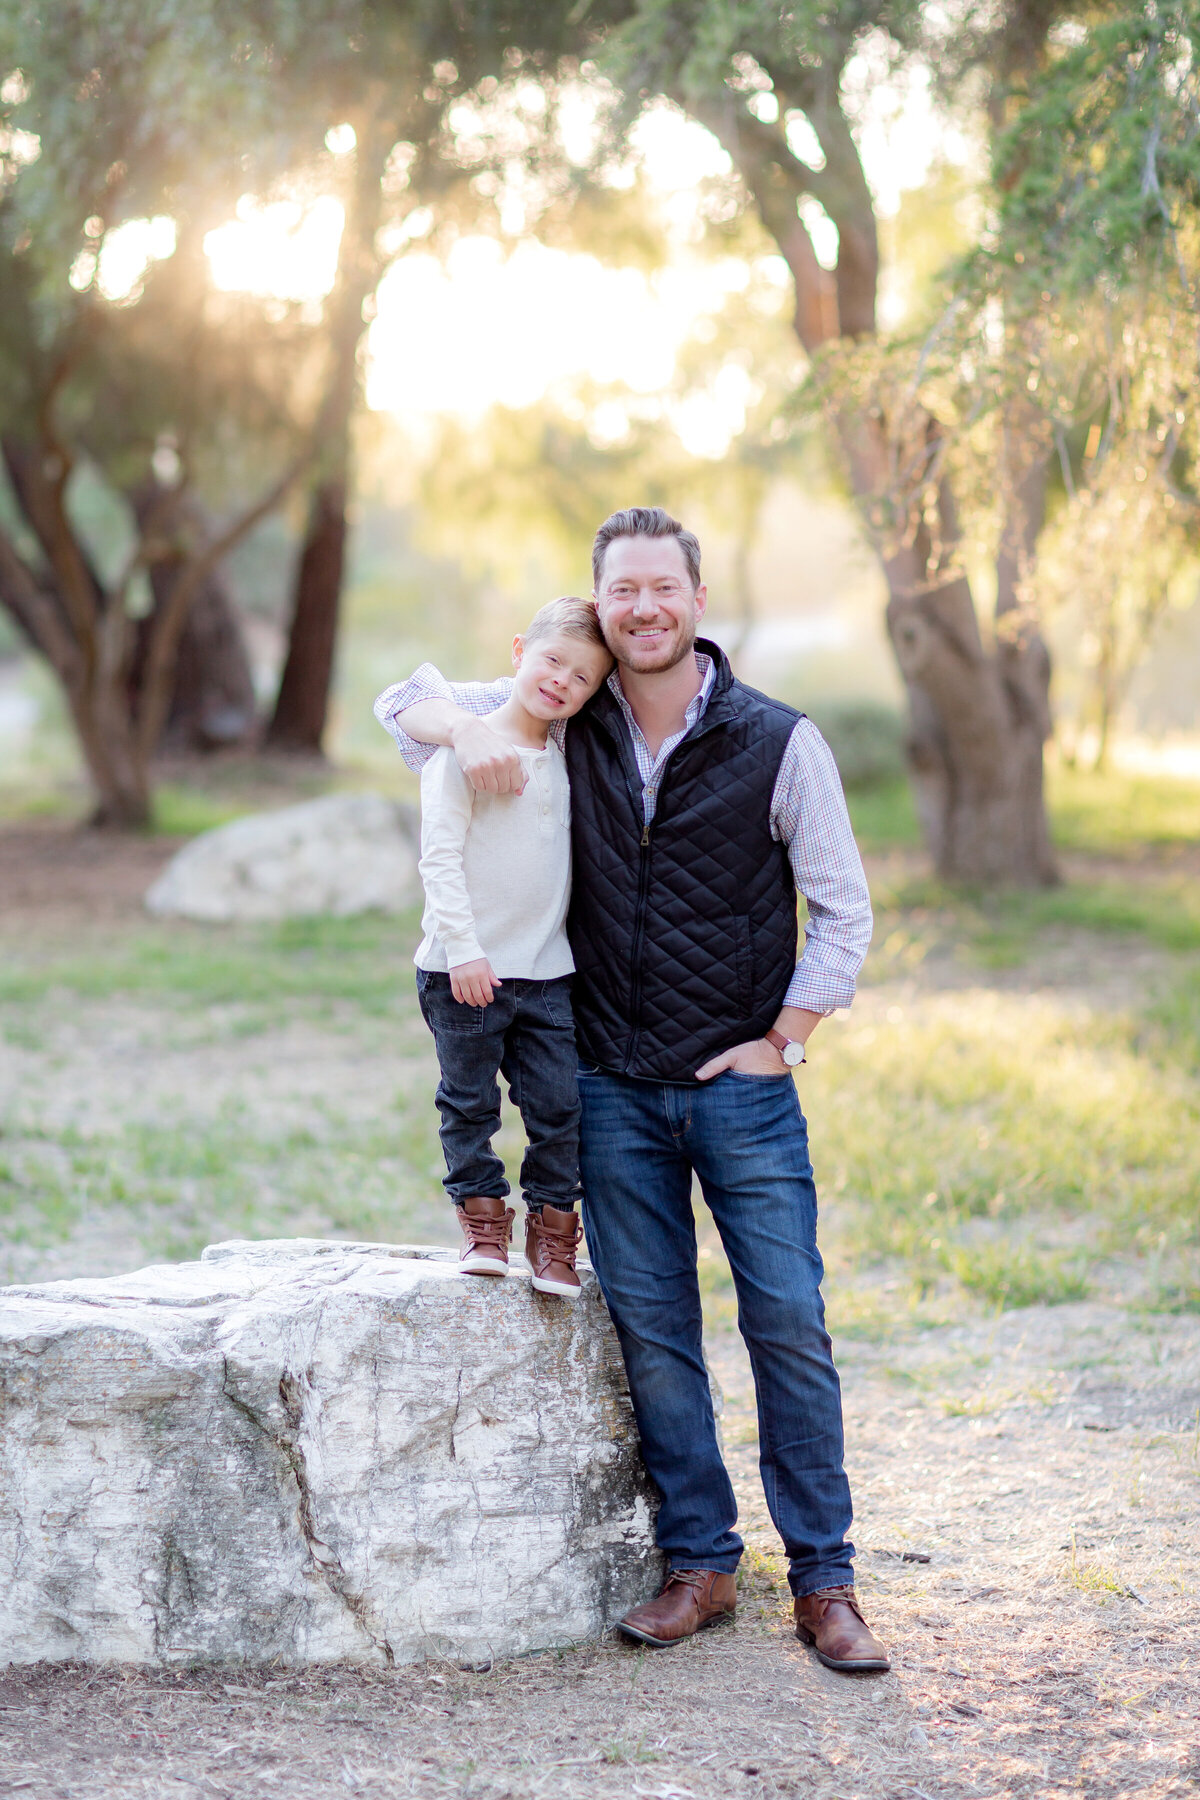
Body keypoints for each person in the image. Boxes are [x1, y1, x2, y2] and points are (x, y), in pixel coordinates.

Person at [375, 508, 888, 1674]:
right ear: (598, 606)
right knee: (656, 1335)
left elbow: (843, 907)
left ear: (696, 601)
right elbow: (395, 706)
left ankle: (827, 1582)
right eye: (622, 593)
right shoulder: (569, 712)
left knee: (789, 1324)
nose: (644, 609)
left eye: (664, 588)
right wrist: (458, 725)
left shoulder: (778, 740)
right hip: (605, 1084)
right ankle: (701, 1565)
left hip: (741, 1091)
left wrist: (789, 1037)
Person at [411, 595, 613, 1300]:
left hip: (547, 971)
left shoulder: (567, 755)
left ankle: (553, 1233)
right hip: (461, 969)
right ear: (520, 651)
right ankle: (483, 1222)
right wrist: (465, 949)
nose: (562, 681)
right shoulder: (463, 750)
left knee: (559, 1108)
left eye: (583, 678)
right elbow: (439, 859)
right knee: (468, 1104)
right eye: (554, 661)